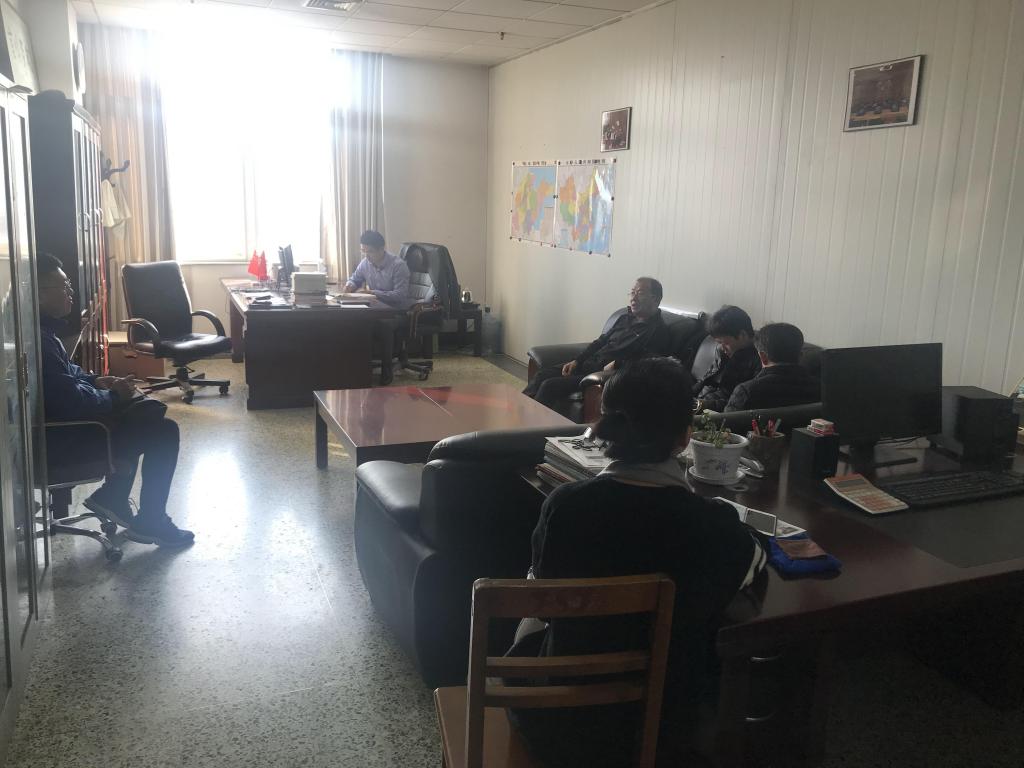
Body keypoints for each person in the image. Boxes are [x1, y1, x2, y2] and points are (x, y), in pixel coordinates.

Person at [509, 357, 767, 766]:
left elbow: (539, 600)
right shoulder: (715, 525)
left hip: (560, 720)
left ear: (606, 424)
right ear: (684, 437)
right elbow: (751, 565)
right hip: (665, 723)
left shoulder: (565, 508)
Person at [37, 252, 193, 547]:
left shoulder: (44, 333)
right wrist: (112, 395)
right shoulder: (41, 342)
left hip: (63, 431)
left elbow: (68, 376)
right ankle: (146, 517)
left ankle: (116, 497)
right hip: (63, 440)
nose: (71, 293)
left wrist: (96, 381)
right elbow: (71, 402)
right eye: (64, 287)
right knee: (163, 431)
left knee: (146, 417)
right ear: (39, 294)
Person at [523, 277, 670, 417]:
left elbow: (647, 364)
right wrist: (577, 360)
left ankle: (530, 427)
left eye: (640, 293)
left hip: (601, 374)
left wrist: (617, 364)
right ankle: (520, 412)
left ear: (655, 299)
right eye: (632, 292)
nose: (633, 298)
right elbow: (600, 341)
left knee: (549, 386)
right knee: (542, 375)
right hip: (588, 364)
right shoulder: (625, 318)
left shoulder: (658, 331)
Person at [343, 230, 411, 385]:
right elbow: (355, 278)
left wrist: (373, 292)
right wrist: (349, 285)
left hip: (397, 311)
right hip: (376, 309)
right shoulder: (365, 263)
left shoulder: (398, 266)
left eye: (370, 252)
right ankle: (357, 366)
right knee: (354, 320)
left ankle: (387, 369)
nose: (366, 256)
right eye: (363, 251)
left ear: (381, 249)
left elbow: (400, 295)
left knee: (383, 325)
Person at [725, 322, 820, 412]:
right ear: (801, 355)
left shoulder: (746, 392)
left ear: (763, 357)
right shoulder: (820, 389)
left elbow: (726, 422)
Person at [693, 305, 761, 412]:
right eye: (719, 343)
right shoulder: (723, 351)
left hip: (720, 411)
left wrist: (703, 404)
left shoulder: (760, 359)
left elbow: (740, 402)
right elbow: (706, 380)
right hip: (703, 402)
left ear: (742, 335)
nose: (721, 347)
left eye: (725, 343)